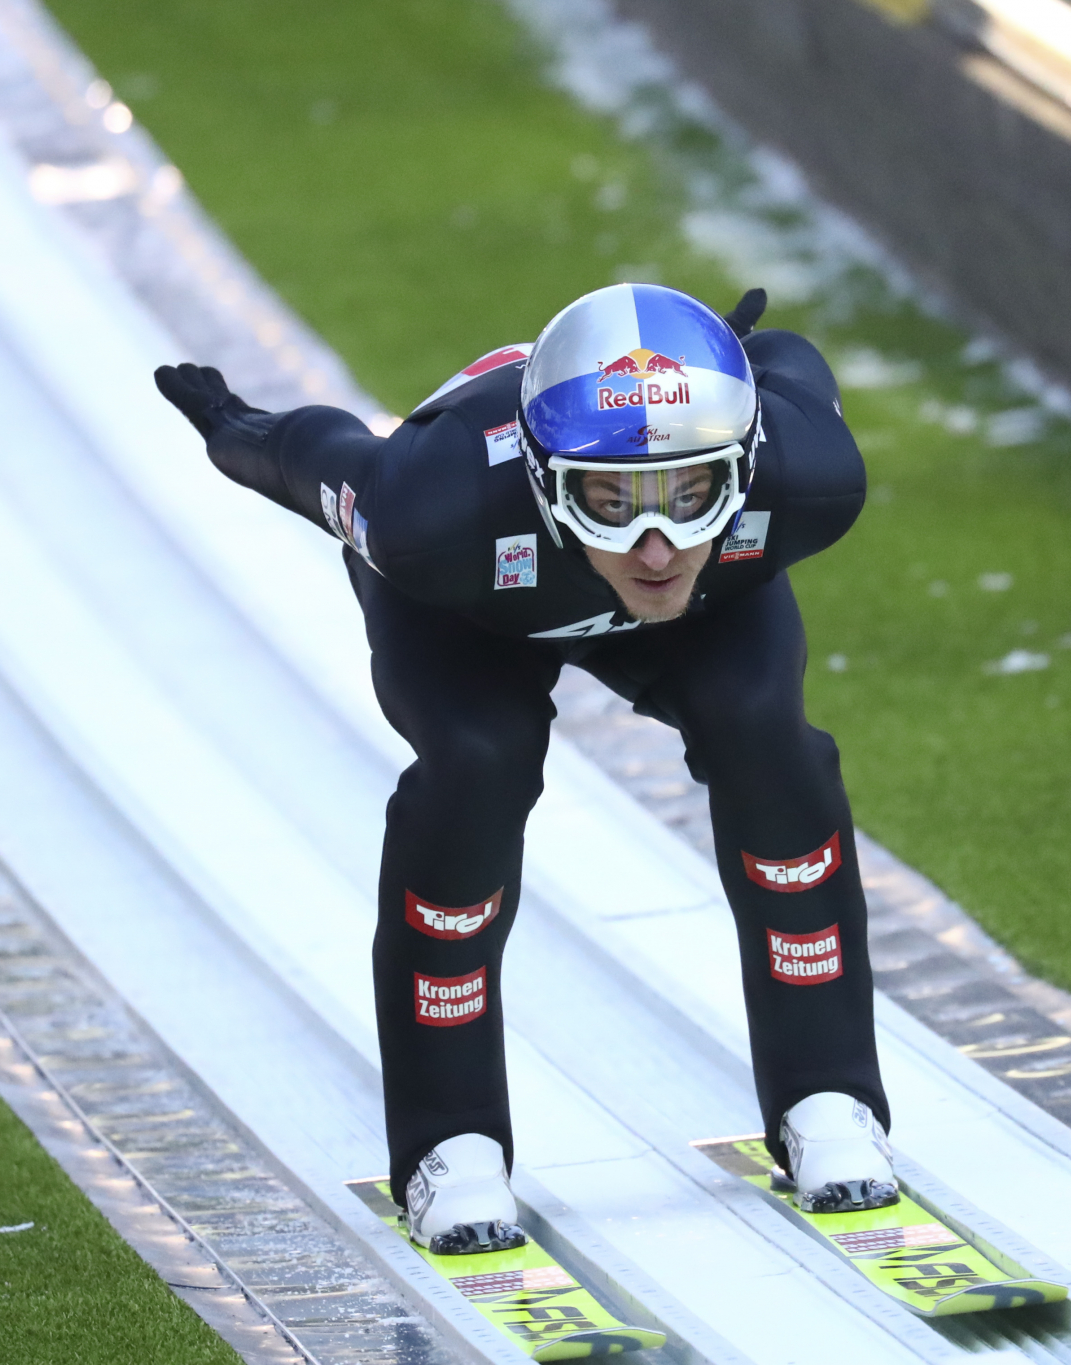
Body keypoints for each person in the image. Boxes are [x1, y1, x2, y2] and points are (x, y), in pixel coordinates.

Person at [155, 283, 895, 1255]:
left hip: (682, 595)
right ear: (545, 477)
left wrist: (726, 356)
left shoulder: (807, 477)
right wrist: (234, 427)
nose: (655, 547)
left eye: (687, 491)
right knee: (478, 763)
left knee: (760, 726)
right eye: (611, 498)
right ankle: (448, 1140)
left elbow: (787, 362)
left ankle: (827, 1094)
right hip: (473, 601)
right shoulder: (431, 511)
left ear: (747, 463)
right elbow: (315, 460)